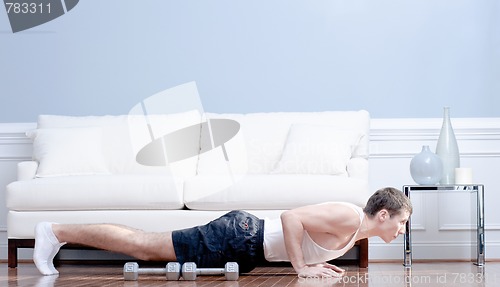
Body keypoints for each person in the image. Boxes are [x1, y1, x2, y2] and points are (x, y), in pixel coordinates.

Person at [33, 187, 412, 278]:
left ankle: (57, 232)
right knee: (145, 246)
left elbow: (307, 240)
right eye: (402, 222)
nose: (402, 230)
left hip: (244, 245)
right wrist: (301, 267)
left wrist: (314, 266)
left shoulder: (356, 231)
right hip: (238, 236)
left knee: (146, 243)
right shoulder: (349, 217)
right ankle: (54, 231)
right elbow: (290, 217)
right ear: (383, 214)